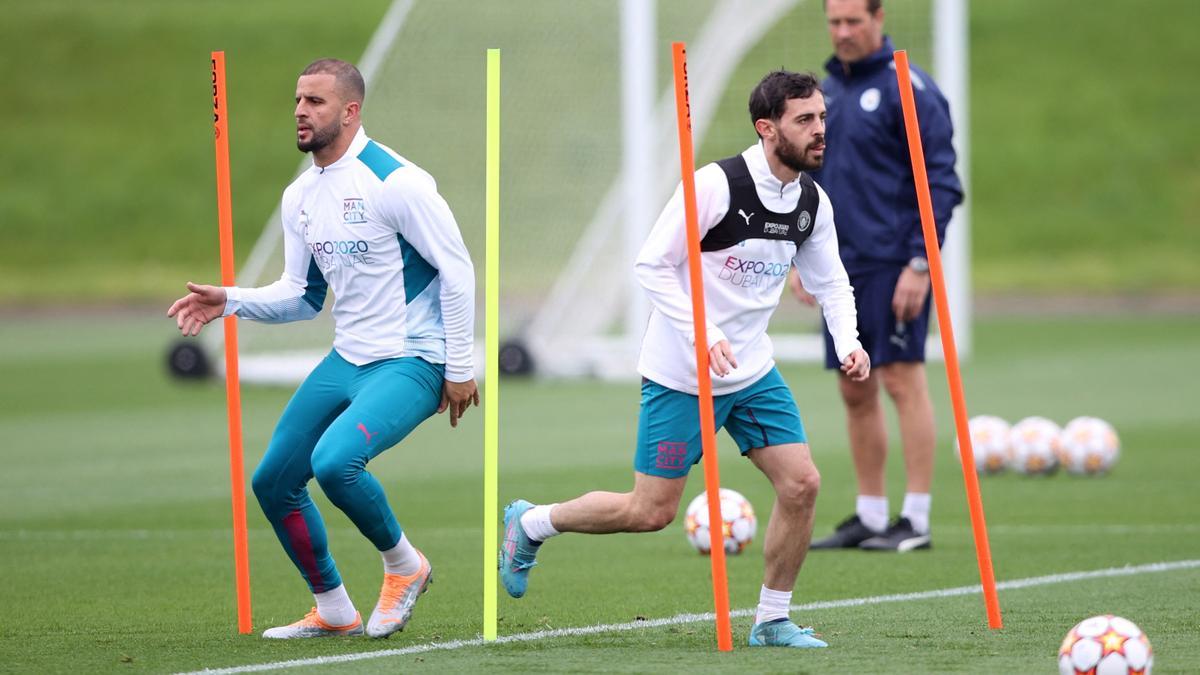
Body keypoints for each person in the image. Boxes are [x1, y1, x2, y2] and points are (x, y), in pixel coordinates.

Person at [500, 71, 869, 649]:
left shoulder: (811, 203)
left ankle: (772, 620)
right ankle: (531, 522)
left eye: (822, 117)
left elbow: (832, 283)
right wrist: (704, 334)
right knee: (650, 511)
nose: (820, 130)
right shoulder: (716, 186)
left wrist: (849, 341)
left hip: (751, 374)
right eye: (805, 120)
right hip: (682, 372)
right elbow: (651, 264)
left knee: (802, 485)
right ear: (767, 128)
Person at [168, 58, 478, 638]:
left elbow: (458, 274)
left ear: (351, 110)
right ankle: (334, 608)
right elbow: (302, 296)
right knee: (273, 480)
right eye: (297, 100)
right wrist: (228, 300)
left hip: (413, 358)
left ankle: (405, 568)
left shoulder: (397, 182)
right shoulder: (300, 196)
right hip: (347, 359)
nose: (300, 112)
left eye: (315, 102)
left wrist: (459, 367)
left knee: (335, 463)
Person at [796, 0, 963, 552]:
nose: (842, 32)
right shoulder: (828, 91)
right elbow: (812, 183)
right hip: (840, 268)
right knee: (854, 385)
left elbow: (940, 181)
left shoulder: (908, 86)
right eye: (834, 22)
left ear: (878, 18)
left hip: (896, 262)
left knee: (900, 379)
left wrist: (921, 262)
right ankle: (870, 515)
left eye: (853, 22)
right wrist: (804, 258)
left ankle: (914, 519)